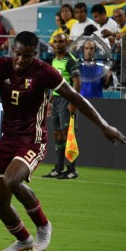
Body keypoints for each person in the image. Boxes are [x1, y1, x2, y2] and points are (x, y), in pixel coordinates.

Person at [0, 31, 126, 251]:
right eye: (17, 54)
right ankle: (24, 239)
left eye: (26, 56)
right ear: (12, 50)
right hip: (8, 139)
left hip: (33, 139)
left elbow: (76, 97)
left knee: (11, 179)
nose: (20, 60)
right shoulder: (1, 65)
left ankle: (43, 225)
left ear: (34, 54)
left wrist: (105, 126)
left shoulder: (45, 72)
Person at [43, 33, 81, 179]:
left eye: (61, 42)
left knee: (68, 134)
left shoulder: (71, 61)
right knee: (57, 134)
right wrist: (51, 99)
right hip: (57, 100)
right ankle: (58, 168)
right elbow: (56, 83)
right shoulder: (54, 61)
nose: (58, 44)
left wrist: (73, 102)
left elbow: (77, 83)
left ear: (67, 44)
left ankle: (72, 169)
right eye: (56, 42)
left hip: (67, 100)